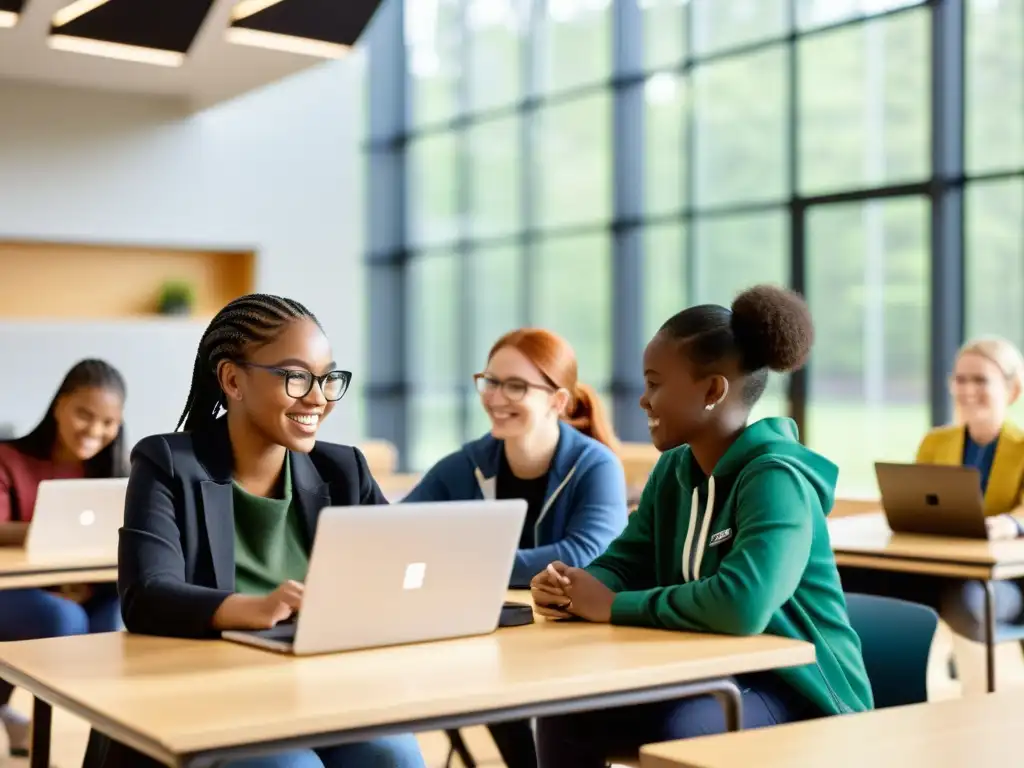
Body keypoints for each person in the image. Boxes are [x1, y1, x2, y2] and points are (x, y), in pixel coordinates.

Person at [530, 285, 873, 767]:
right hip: (710, 672)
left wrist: (611, 605)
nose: (644, 401)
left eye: (655, 383)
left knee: (681, 733)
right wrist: (574, 585)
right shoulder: (674, 471)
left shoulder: (777, 479)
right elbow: (627, 560)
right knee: (565, 714)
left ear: (712, 391)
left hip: (801, 692)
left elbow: (743, 605)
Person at [87, 294, 425, 768]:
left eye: (327, 378)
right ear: (232, 379)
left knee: (395, 755)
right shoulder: (166, 463)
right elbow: (147, 595)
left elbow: (397, 568)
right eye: (296, 377)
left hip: (322, 690)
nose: (318, 397)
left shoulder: (343, 468)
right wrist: (256, 608)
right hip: (211, 697)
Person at [405, 328, 629, 768]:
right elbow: (400, 531)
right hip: (495, 637)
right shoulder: (467, 464)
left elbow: (585, 554)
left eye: (516, 386)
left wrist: (469, 568)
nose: (495, 397)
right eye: (490, 381)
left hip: (575, 639)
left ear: (557, 401)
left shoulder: (595, 465)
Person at [841, 336, 1024, 643]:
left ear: (1012, 389)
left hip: (1005, 578)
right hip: (942, 566)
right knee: (847, 581)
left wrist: (1008, 524)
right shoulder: (936, 442)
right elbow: (920, 501)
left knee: (964, 601)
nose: (967, 390)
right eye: (960, 380)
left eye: (980, 380)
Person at [0, 359, 127, 757]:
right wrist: (55, 531)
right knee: (64, 619)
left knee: (117, 617)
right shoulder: (8, 458)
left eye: (108, 423)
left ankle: (106, 750)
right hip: (16, 590)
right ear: (60, 406)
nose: (94, 431)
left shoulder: (114, 472)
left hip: (86, 588)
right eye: (84, 415)